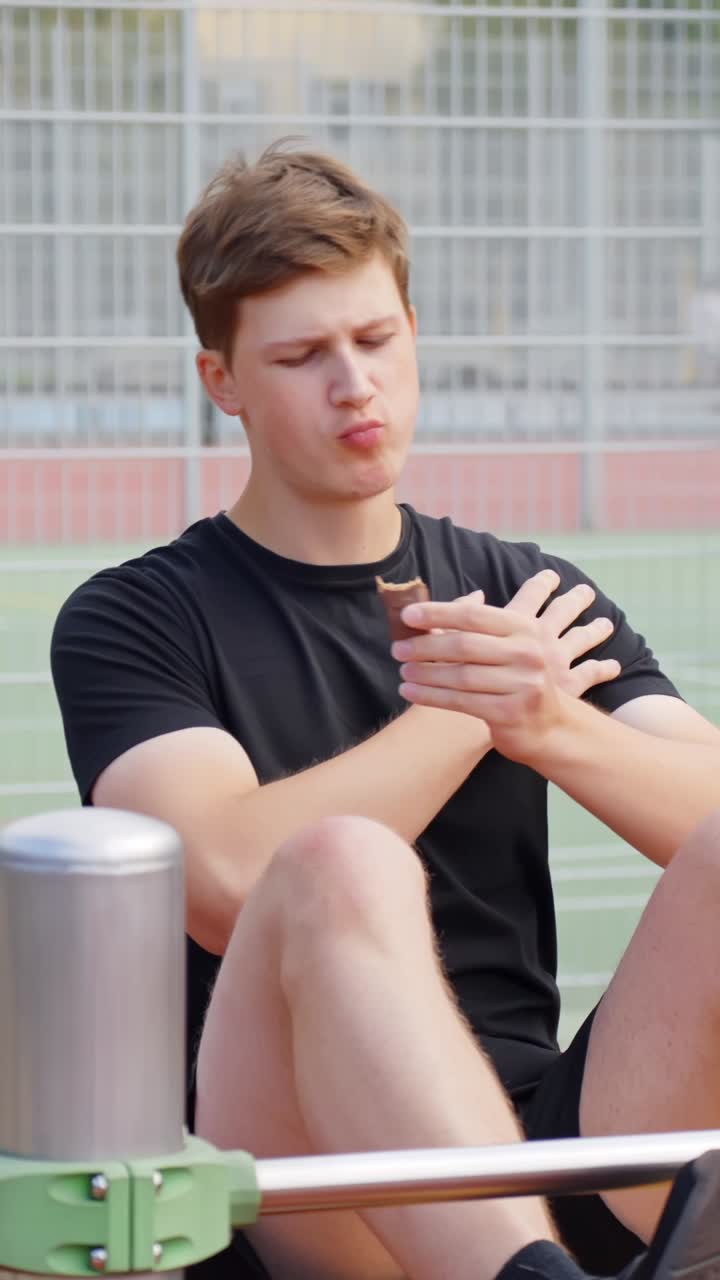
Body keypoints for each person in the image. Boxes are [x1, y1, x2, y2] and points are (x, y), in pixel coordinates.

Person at [50, 143, 720, 1280]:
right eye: (304, 355)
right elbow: (221, 879)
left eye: (376, 340)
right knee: (339, 865)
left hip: (559, 1152)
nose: (354, 383)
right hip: (308, 1185)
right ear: (223, 381)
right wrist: (464, 715)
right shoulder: (137, 616)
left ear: (413, 328)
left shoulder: (525, 595)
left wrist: (553, 723)